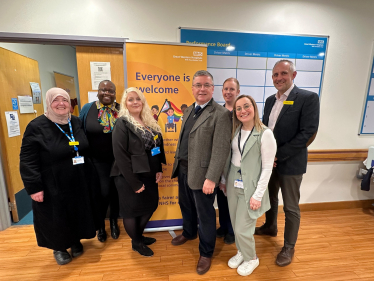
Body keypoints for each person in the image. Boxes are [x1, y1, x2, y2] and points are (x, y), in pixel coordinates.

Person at [19, 88, 99, 265]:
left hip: (78, 179)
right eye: (56, 100)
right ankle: (59, 247)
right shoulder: (36, 126)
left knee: (77, 212)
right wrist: (34, 187)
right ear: (49, 103)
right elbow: (27, 159)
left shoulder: (76, 121)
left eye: (65, 100)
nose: (61, 103)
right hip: (52, 182)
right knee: (56, 216)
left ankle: (75, 240)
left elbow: (84, 147)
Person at [255, 59, 320, 266]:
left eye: (283, 73)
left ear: (293, 75)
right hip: (269, 163)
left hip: (290, 163)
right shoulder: (269, 100)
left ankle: (289, 247)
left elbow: (308, 134)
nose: (278, 78)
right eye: (275, 74)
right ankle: (270, 226)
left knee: (291, 207)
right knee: (270, 198)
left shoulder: (308, 98)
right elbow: (265, 130)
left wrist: (278, 155)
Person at [171, 70, 232, 275]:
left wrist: (212, 178)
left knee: (205, 216)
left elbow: (221, 149)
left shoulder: (221, 114)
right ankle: (189, 233)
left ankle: (206, 253)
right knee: (186, 206)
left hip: (204, 174)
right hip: (183, 168)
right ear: (193, 88)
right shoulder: (188, 110)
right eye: (198, 85)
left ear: (212, 88)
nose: (202, 89)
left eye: (206, 85)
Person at [221, 95, 276, 276]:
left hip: (250, 186)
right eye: (238, 108)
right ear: (235, 112)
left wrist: (258, 195)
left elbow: (267, 168)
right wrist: (223, 181)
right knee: (235, 222)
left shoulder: (265, 133)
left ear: (254, 107)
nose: (243, 111)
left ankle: (251, 257)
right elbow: (231, 159)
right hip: (232, 182)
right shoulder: (236, 131)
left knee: (242, 228)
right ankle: (241, 251)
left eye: (246, 106)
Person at [111, 87, 166, 257]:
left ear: (142, 101)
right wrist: (134, 182)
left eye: (138, 99)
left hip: (149, 173)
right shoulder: (122, 123)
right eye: (130, 99)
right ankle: (136, 242)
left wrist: (158, 169)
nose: (135, 102)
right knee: (132, 211)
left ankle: (138, 235)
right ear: (125, 104)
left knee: (150, 206)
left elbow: (155, 148)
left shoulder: (149, 121)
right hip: (128, 176)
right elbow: (120, 156)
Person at [79, 80, 120, 242]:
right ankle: (101, 226)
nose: (107, 93)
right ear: (98, 91)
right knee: (102, 193)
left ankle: (114, 222)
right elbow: (79, 131)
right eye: (103, 90)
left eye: (111, 91)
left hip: (118, 161)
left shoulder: (121, 109)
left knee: (116, 192)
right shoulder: (87, 109)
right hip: (96, 161)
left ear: (115, 93)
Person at [216, 77, 241, 245]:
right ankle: (224, 226)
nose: (228, 92)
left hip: (236, 164)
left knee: (234, 200)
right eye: (225, 89)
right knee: (222, 198)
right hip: (220, 163)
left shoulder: (242, 112)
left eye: (232, 89)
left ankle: (233, 230)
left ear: (238, 92)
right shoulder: (218, 112)